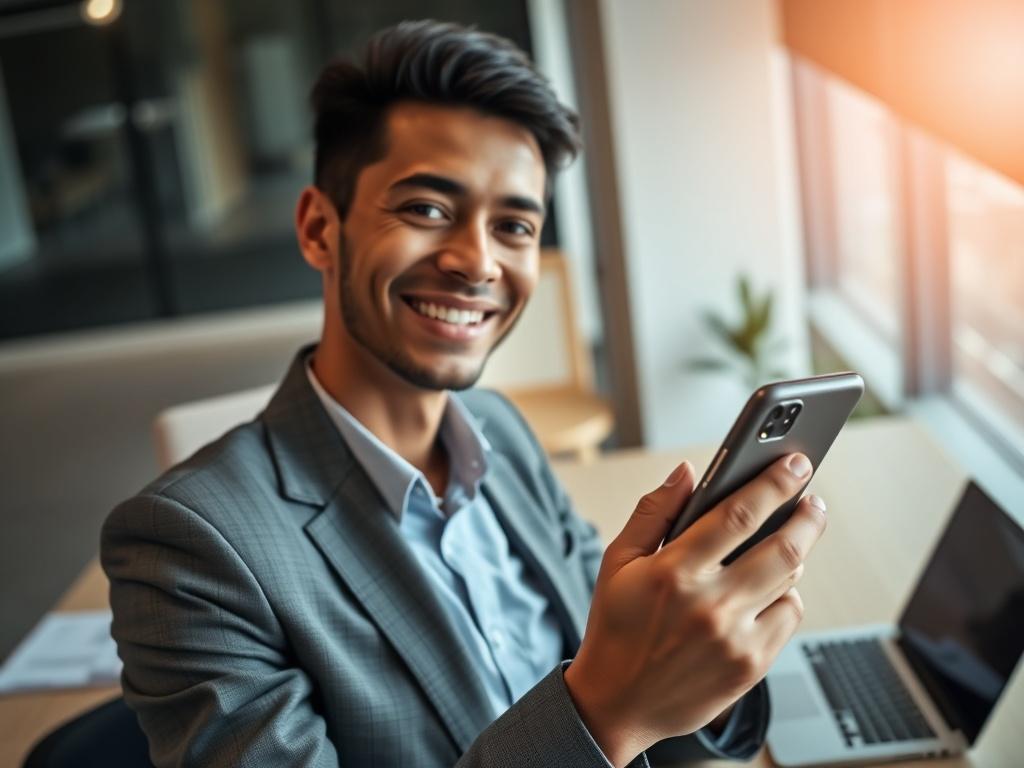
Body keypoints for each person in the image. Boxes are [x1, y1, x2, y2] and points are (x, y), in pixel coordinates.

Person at [101, 20, 826, 768]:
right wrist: (604, 712)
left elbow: (639, 682)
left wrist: (706, 653)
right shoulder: (185, 548)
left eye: (514, 225)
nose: (477, 262)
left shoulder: (501, 432)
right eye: (426, 210)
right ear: (320, 228)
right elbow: (616, 702)